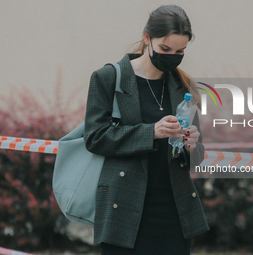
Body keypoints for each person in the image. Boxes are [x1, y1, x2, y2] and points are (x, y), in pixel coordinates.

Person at [83, 5, 210, 255]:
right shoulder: (109, 78)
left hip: (174, 211)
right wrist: (151, 132)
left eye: (180, 51)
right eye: (165, 49)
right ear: (146, 38)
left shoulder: (184, 86)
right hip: (124, 207)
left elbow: (195, 158)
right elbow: (95, 138)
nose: (172, 56)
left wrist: (191, 146)